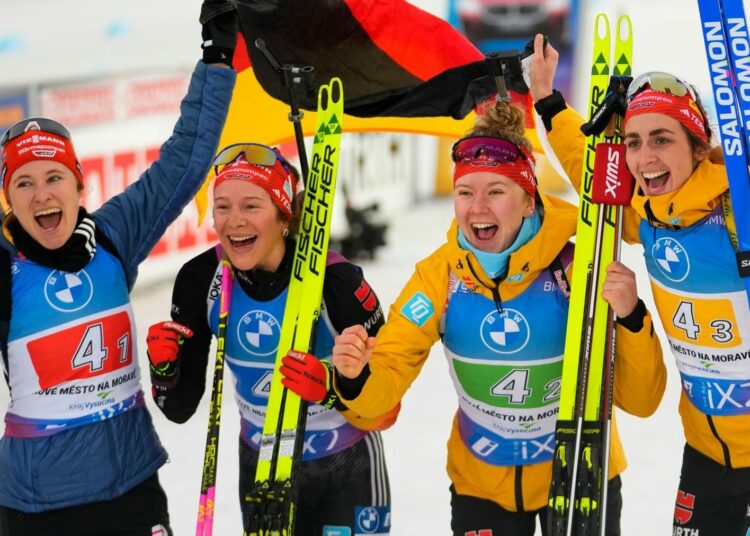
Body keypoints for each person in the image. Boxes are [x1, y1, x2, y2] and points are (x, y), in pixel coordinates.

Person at [328, 98, 666, 535]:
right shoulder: (438, 279)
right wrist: (355, 376)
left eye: (496, 191)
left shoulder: (578, 265)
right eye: (465, 192)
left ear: (529, 201)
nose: (477, 208)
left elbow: (641, 401)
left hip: (580, 470)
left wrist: (632, 317)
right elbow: (388, 375)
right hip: (481, 484)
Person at [0, 3, 237, 535]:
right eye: (24, 183)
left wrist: (218, 60)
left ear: (79, 185)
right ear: (9, 200)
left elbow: (184, 160)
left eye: (54, 177)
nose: (42, 195)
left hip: (132, 488)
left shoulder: (110, 235)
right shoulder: (5, 264)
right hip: (39, 508)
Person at [529, 33, 750, 535]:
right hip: (706, 451)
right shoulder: (645, 220)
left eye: (662, 139)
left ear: (698, 146)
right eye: (634, 141)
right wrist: (548, 101)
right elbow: (591, 175)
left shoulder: (737, 211)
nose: (644, 156)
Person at [146, 143, 395, 535]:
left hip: (346, 467)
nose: (234, 221)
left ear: (283, 216)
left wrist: (334, 388)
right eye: (223, 206)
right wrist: (164, 369)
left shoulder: (338, 283)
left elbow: (387, 410)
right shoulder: (200, 279)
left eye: (251, 206)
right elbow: (178, 408)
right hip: (263, 467)